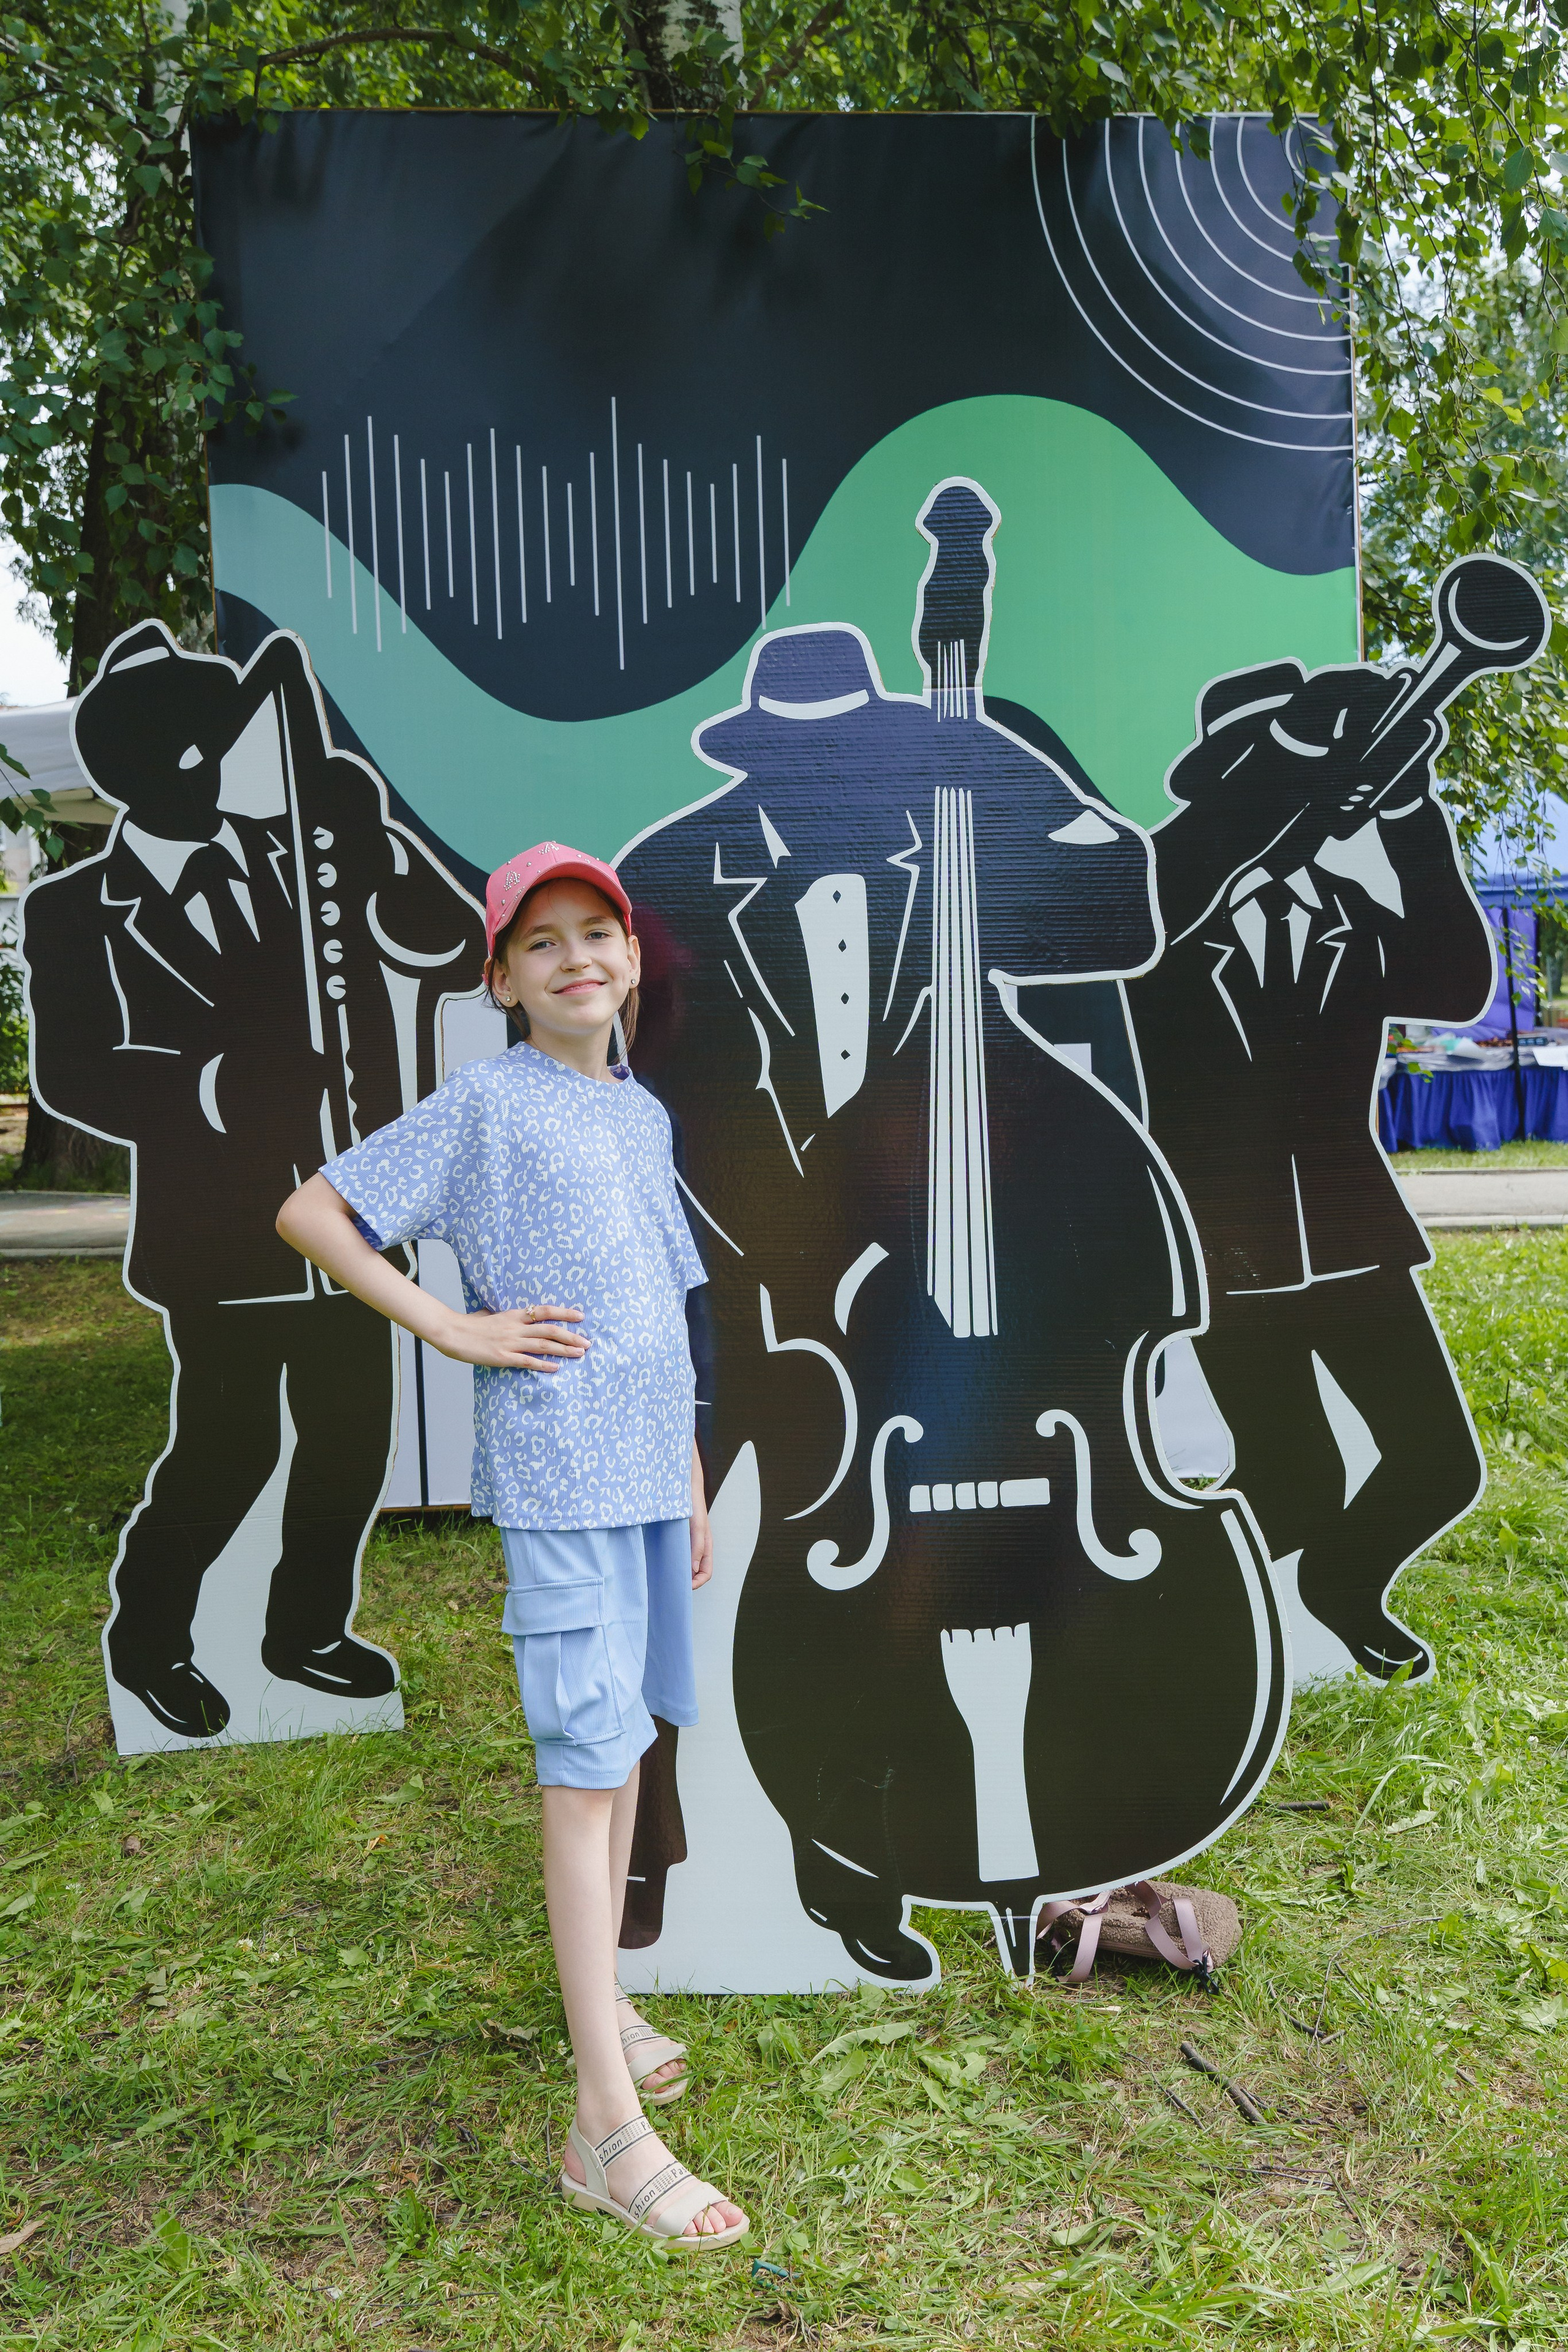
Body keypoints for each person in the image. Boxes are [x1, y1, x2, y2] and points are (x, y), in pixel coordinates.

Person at [275, 839, 748, 2250]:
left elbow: (663, 1304)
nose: (574, 958)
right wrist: (452, 1327)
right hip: (555, 1481)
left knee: (625, 1750)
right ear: (500, 979)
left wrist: (689, 1473)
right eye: (539, 942)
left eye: (594, 933)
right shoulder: (483, 1104)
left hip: (648, 1484)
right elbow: (314, 1211)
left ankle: (601, 2000)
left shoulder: (638, 1115)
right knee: (584, 1770)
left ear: (627, 963)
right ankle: (604, 2130)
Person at [22, 619, 484, 1740]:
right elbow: (78, 1075)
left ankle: (307, 1630)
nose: (243, 761)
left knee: (349, 1440)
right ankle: (149, 1641)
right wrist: (220, 1084)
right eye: (218, 745)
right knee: (228, 1449)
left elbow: (459, 935)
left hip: (350, 1217)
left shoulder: (307, 852)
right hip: (220, 1227)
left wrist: (371, 831)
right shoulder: (73, 909)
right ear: (171, 762)